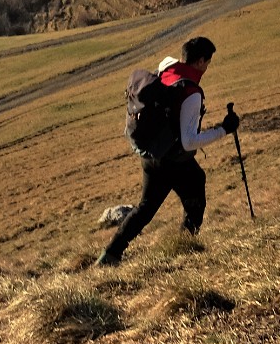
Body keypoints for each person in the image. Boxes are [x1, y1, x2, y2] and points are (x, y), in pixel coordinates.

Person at [95, 36, 239, 267]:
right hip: (173, 159)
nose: (208, 66)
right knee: (195, 194)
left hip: (151, 153)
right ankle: (183, 247)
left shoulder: (167, 68)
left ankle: (110, 255)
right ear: (201, 61)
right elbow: (189, 141)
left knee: (145, 208)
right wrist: (224, 129)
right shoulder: (191, 92)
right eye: (208, 61)